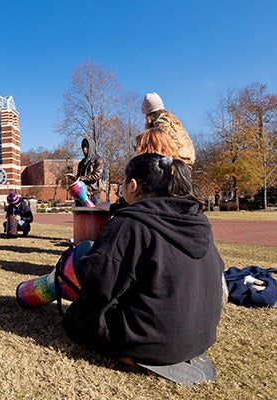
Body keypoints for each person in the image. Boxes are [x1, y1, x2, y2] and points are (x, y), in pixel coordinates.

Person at [62, 153, 224, 385]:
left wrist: (83, 261)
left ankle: (137, 355)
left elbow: (98, 283)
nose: (120, 188)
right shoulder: (200, 223)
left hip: (153, 340)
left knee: (78, 317)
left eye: (123, 181)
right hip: (201, 338)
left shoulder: (129, 222)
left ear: (134, 185)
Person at [141, 92, 195, 166]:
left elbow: (174, 143)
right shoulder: (171, 120)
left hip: (179, 161)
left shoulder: (161, 124)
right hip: (188, 159)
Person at [65, 137, 104, 204]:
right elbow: (79, 178)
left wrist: (80, 178)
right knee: (80, 212)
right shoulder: (82, 162)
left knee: (93, 213)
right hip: (81, 192)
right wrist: (74, 177)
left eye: (86, 147)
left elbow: (96, 175)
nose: (84, 149)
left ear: (91, 147)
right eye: (83, 147)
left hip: (93, 192)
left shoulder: (98, 160)